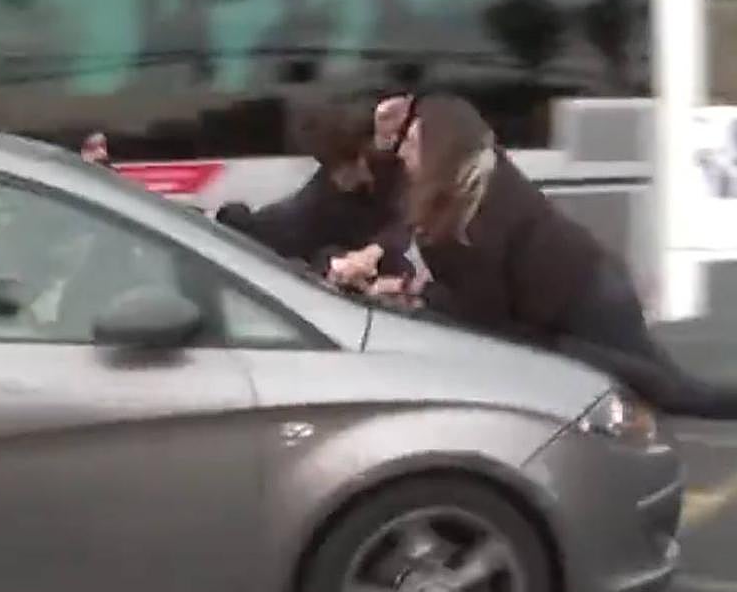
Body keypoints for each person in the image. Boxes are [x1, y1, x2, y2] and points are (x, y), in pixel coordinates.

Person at [384, 93, 737, 418]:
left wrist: (419, 295)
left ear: (441, 150)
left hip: (590, 298)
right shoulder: (473, 178)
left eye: (413, 144)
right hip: (577, 295)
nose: (402, 153)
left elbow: (484, 317)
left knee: (673, 394)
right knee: (659, 388)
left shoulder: (485, 214)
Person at [215, 97, 412, 283]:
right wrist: (338, 263)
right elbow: (297, 237)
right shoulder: (316, 203)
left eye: (342, 169)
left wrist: (374, 251)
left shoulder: (390, 168)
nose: (339, 179)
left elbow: (407, 219)